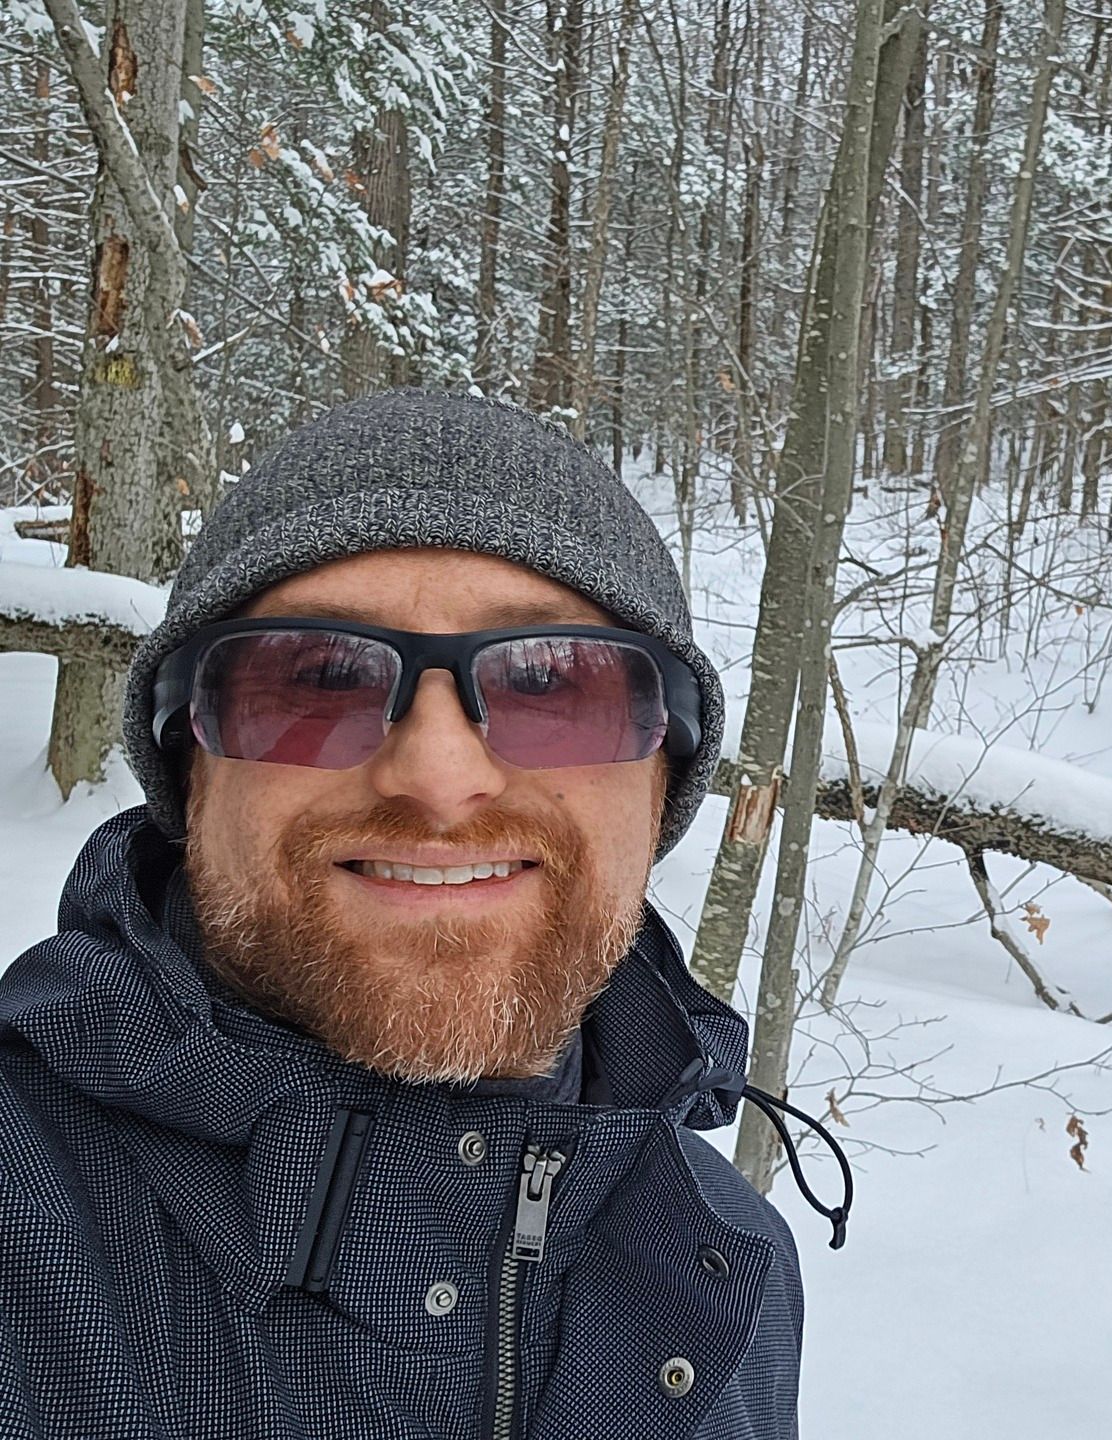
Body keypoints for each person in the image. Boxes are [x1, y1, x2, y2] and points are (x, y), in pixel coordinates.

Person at [0, 389, 847, 1439]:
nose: (439, 777)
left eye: (551, 681)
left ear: (661, 780)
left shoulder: (727, 1266)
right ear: (192, 771)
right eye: (313, 677)